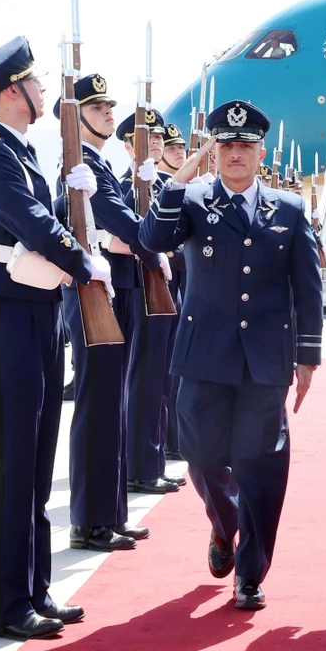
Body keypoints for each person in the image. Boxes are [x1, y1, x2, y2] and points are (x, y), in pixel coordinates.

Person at [140, 100, 323, 611]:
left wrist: (306, 356)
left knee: (260, 464)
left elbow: (306, 288)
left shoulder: (287, 209)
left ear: (260, 151)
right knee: (200, 458)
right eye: (226, 146)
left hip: (265, 359)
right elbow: (150, 240)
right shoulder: (193, 200)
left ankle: (251, 572)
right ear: (214, 150)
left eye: (245, 146)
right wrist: (177, 182)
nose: (236, 154)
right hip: (203, 356)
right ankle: (226, 525)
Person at [0, 36, 112, 639]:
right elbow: (32, 225)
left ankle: (34, 587)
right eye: (34, 82)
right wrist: (84, 261)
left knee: (36, 460)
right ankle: (4, 604)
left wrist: (82, 192)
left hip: (38, 312)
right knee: (11, 460)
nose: (44, 91)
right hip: (2, 316)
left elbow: (46, 216)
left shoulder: (19, 153)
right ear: (10, 93)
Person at [53, 75, 161, 553]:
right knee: (97, 404)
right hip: (89, 288)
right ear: (74, 117)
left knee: (112, 403)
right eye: (97, 108)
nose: (109, 113)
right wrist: (158, 233)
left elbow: (125, 218)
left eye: (110, 106)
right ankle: (88, 520)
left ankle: (109, 513)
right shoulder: (76, 168)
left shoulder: (97, 166)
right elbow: (118, 223)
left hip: (109, 286)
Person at [115, 110, 182, 495]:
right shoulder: (129, 183)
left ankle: (152, 460)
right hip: (140, 288)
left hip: (162, 286)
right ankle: (141, 466)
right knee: (145, 378)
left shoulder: (157, 183)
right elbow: (120, 226)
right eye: (147, 138)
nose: (156, 143)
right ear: (129, 146)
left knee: (160, 377)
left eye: (159, 138)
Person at [158, 123, 190, 461]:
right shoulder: (163, 189)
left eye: (181, 148)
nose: (179, 152)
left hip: (182, 280)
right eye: (171, 147)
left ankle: (178, 436)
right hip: (162, 282)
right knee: (164, 370)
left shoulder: (182, 188)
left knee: (178, 366)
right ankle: (170, 440)